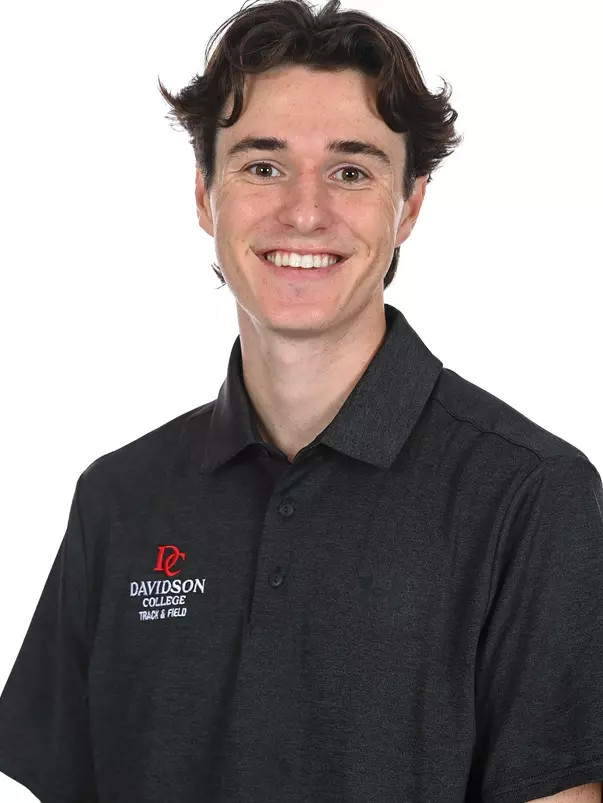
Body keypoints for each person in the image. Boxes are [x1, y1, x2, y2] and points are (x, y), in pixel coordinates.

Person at [1, 0, 602, 801]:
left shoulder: (529, 495)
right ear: (204, 196)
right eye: (262, 166)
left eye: (351, 171)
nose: (305, 212)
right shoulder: (118, 498)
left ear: (409, 205)